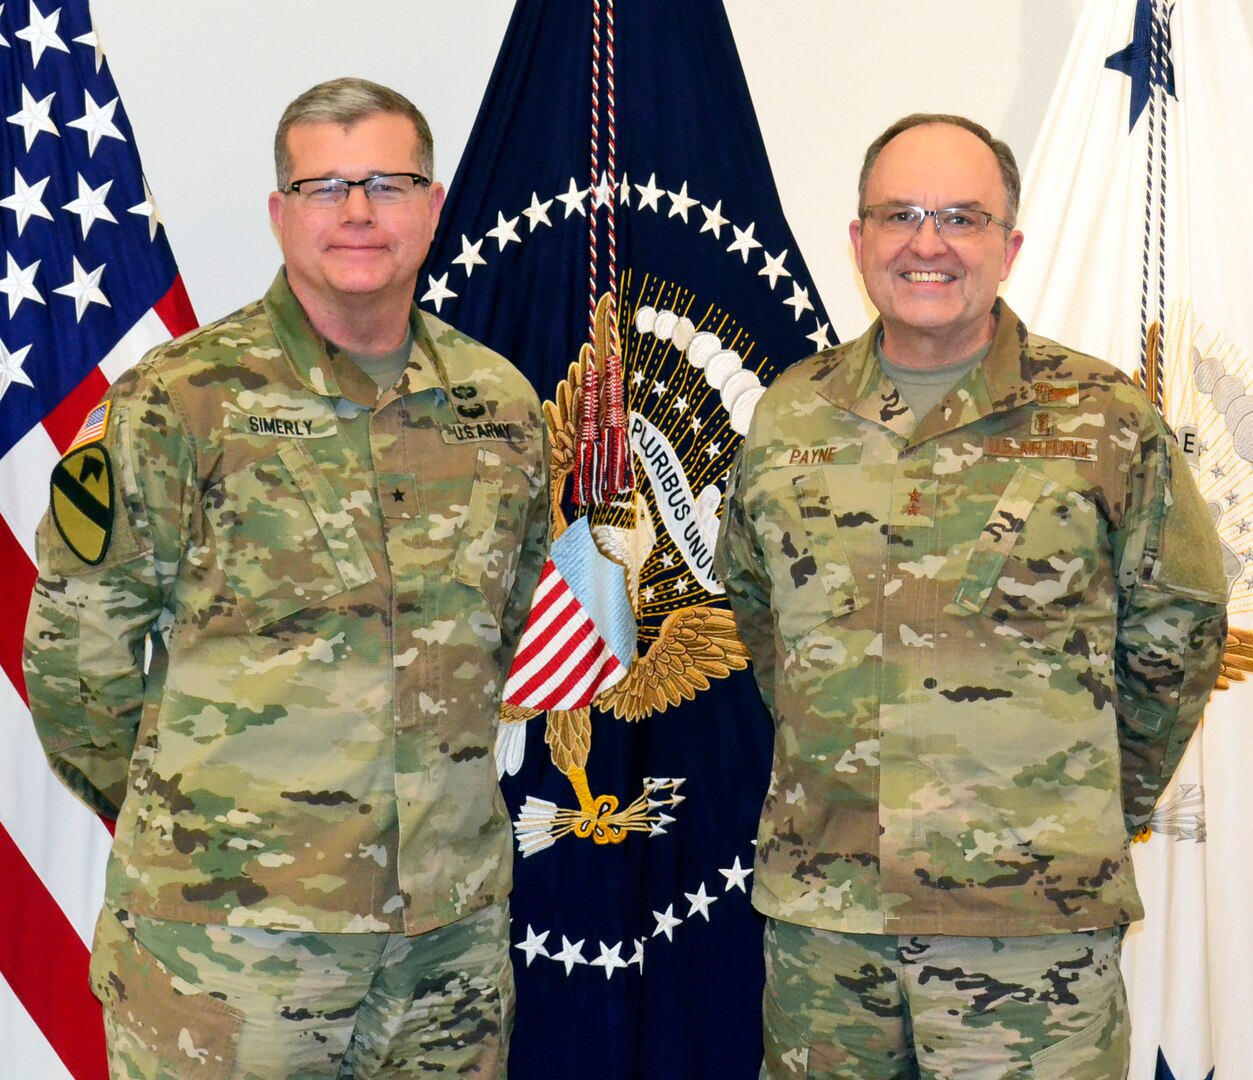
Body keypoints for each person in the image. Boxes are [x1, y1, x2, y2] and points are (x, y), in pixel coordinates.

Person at [24, 77, 549, 1078]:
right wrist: (205, 819)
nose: (357, 212)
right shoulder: (175, 403)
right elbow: (75, 660)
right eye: (324, 186)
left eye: (388, 183)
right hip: (231, 958)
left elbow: (505, 627)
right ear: (279, 214)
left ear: (434, 207)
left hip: (446, 950)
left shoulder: (501, 406)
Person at [714, 113, 1229, 1079]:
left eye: (961, 216)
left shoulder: (1103, 419)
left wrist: (1069, 810)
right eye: (898, 214)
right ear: (858, 239)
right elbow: (760, 614)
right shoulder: (791, 414)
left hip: (1029, 931)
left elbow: (1179, 631)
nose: (927, 242)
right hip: (828, 930)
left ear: (1008, 246)